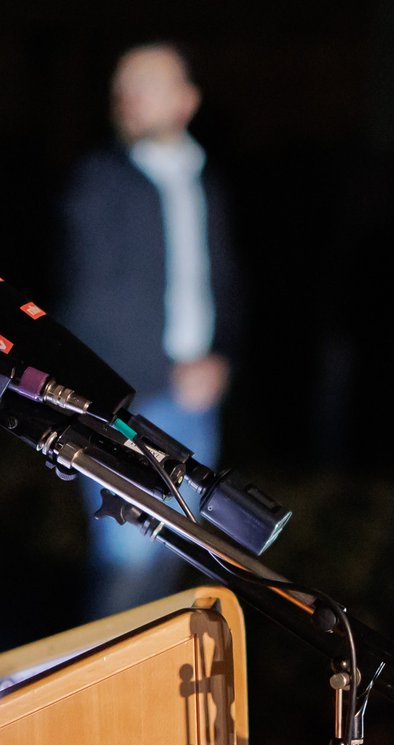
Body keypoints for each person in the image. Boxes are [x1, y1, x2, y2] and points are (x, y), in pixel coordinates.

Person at [58, 42, 242, 619]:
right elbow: (89, 301)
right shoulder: (101, 180)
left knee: (175, 560)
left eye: (148, 84)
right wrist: (166, 374)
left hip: (197, 396)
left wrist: (222, 357)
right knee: (127, 566)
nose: (130, 98)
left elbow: (223, 281)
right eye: (124, 84)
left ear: (187, 100)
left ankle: (144, 699)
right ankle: (93, 700)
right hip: (132, 402)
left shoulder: (203, 179)